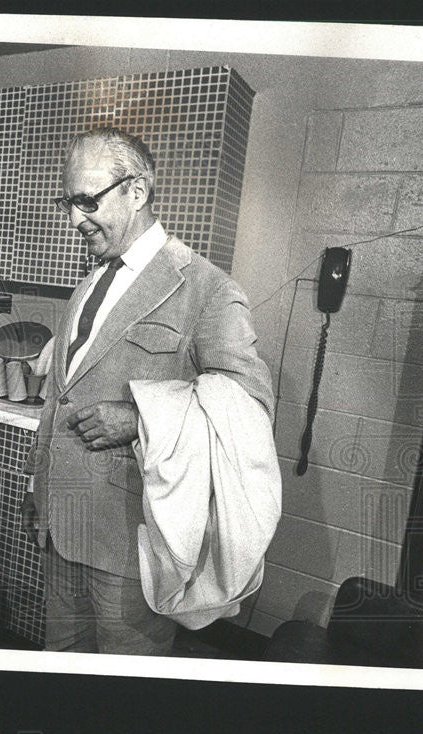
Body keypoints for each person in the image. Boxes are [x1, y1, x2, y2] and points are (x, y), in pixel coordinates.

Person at [21, 127, 277, 656]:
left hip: (132, 539)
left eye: (87, 201)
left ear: (136, 191)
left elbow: (249, 404)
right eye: (68, 202)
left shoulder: (208, 288)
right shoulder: (89, 282)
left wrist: (141, 417)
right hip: (61, 525)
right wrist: (38, 484)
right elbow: (59, 396)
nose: (74, 219)